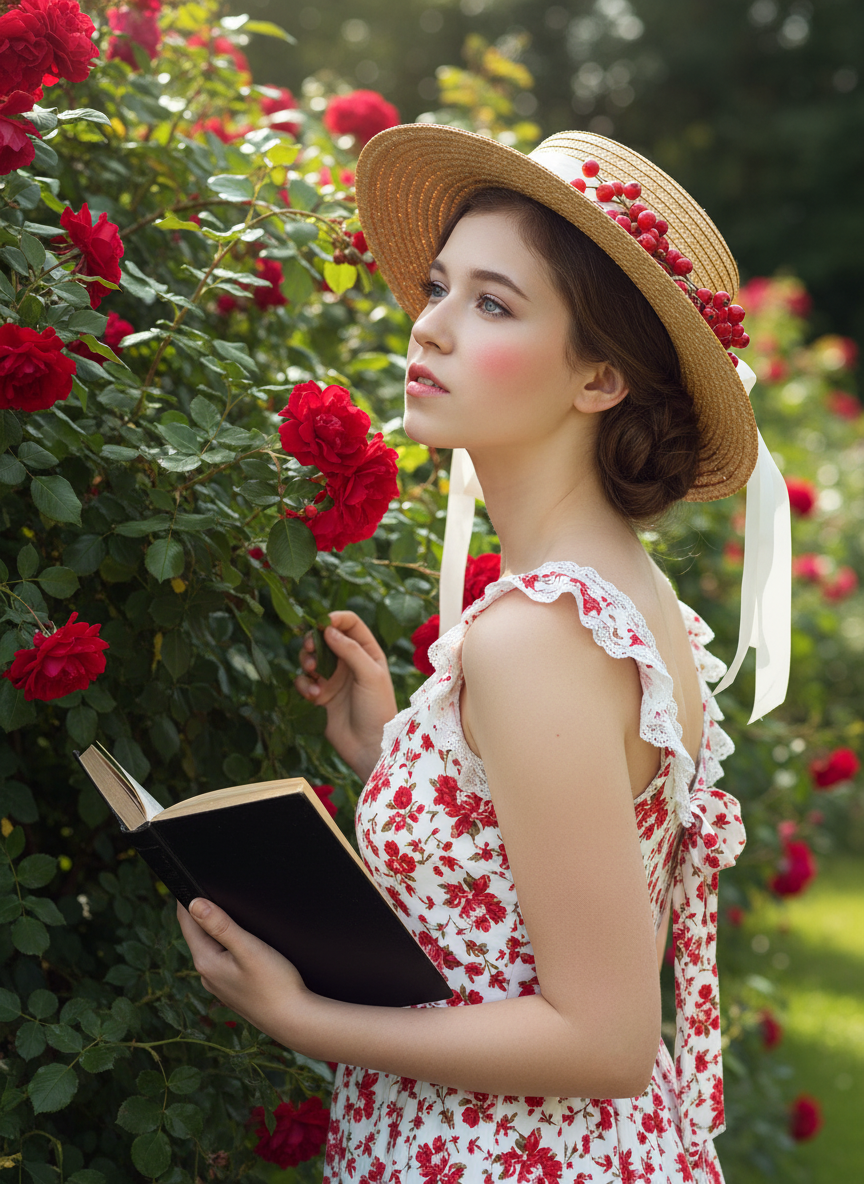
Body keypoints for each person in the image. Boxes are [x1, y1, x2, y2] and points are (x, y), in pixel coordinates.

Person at [177, 127, 790, 1184]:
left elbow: (606, 1038)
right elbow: (571, 891)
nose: (431, 326)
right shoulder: (623, 595)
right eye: (439, 287)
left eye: (494, 304)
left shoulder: (540, 635)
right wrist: (402, 754)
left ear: (600, 376)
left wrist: (302, 1016)